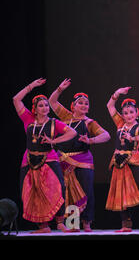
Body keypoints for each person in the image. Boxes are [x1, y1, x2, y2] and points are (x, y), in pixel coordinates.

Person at [13, 78, 77, 233]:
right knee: (31, 191)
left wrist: (54, 140)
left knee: (58, 187)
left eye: (46, 105)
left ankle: (60, 222)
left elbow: (72, 132)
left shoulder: (54, 123)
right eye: (41, 105)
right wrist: (32, 86)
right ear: (34, 108)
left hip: (49, 158)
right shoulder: (28, 118)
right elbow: (16, 99)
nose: (45, 107)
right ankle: (43, 226)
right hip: (29, 159)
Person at [49, 78, 111, 232]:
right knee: (68, 191)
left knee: (86, 190)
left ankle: (87, 222)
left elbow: (107, 135)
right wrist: (60, 89)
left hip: (83, 160)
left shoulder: (89, 122)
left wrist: (91, 140)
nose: (84, 105)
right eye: (80, 103)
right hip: (64, 159)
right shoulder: (66, 117)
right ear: (73, 106)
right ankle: (71, 223)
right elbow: (52, 102)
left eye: (86, 103)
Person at [105, 87, 139, 232]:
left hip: (134, 158)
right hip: (118, 161)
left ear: (137, 113)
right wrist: (117, 93)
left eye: (131, 112)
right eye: (126, 113)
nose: (128, 115)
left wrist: (133, 138)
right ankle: (125, 225)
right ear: (122, 115)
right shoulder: (120, 123)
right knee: (121, 191)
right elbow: (109, 106)